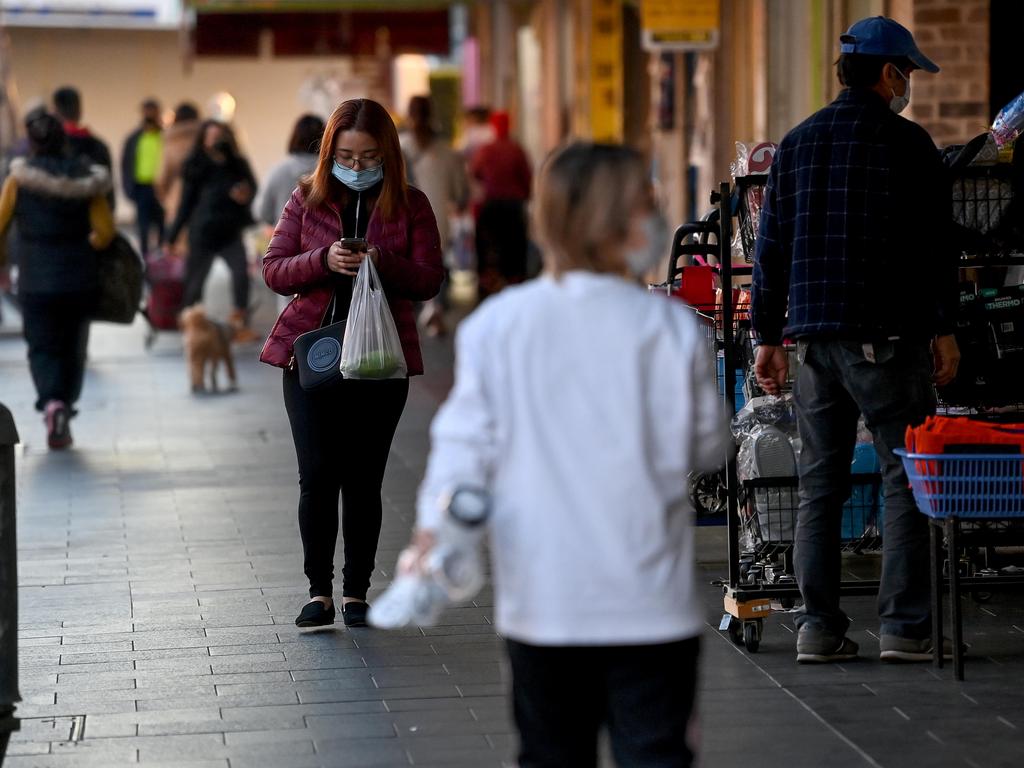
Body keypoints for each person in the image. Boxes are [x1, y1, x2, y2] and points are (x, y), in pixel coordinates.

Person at [405, 142, 728, 767]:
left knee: (551, 755)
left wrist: (431, 537)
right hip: (650, 603)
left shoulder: (497, 327)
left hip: (544, 603)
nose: (656, 218)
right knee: (656, 754)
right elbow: (708, 446)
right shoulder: (670, 329)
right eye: (646, 204)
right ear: (609, 221)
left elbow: (460, 450)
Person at [751, 16, 961, 664]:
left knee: (821, 484)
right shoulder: (910, 146)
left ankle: (818, 628)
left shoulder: (797, 143)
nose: (910, 87)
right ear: (889, 73)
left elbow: (770, 249)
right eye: (908, 74)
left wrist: (766, 336)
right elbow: (936, 250)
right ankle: (902, 628)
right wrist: (945, 328)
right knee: (904, 474)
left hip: (813, 342)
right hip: (887, 340)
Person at [260, 98, 443, 629]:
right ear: (328, 153)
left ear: (388, 153)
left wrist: (385, 264)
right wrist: (323, 260)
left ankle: (357, 592)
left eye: (368, 157)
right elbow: (273, 269)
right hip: (312, 358)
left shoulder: (411, 205)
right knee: (317, 475)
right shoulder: (306, 198)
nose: (357, 167)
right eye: (346, 156)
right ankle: (318, 592)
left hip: (381, 362)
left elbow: (430, 279)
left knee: (364, 479)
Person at [0, 110, 114, 449]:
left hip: (35, 278)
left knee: (42, 345)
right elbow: (105, 232)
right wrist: (86, 247)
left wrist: (4, 262)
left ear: (31, 142)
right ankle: (65, 401)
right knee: (72, 346)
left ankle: (51, 403)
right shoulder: (86, 181)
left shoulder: (18, 181)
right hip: (79, 276)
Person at [164, 120, 259, 343]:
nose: (216, 140)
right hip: (203, 231)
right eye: (211, 135)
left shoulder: (237, 163)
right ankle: (190, 326)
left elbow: (252, 188)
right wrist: (171, 236)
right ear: (203, 139)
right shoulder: (195, 164)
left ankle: (239, 324)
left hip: (230, 231)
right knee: (195, 282)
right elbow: (185, 203)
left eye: (220, 135)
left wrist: (244, 194)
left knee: (240, 275)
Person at [400, 95, 467, 336]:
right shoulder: (448, 152)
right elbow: (460, 194)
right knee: (432, 264)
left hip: (401, 220)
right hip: (437, 222)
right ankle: (434, 308)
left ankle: (409, 315)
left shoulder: (397, 147)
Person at [469, 110, 532, 299]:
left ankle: (489, 286)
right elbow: (527, 179)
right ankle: (516, 287)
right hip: (514, 208)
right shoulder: (517, 150)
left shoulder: (486, 150)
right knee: (515, 251)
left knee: (489, 251)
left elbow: (475, 172)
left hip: (492, 208)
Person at [255, 113, 325, 228]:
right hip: (326, 242)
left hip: (285, 239)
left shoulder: (278, 171)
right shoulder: (331, 171)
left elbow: (262, 212)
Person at [52, 86, 113, 209]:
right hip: (92, 220)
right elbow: (108, 192)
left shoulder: (48, 147)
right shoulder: (98, 146)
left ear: (55, 110)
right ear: (80, 110)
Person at [156, 102, 201, 251]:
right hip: (205, 201)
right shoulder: (207, 139)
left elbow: (162, 178)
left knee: (180, 248)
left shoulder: (171, 143)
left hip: (177, 199)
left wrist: (166, 200)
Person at [121, 98, 164, 254]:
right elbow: (126, 164)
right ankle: (145, 255)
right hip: (142, 186)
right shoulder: (135, 138)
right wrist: (128, 187)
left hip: (160, 187)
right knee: (143, 224)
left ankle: (160, 253)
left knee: (162, 222)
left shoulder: (164, 136)